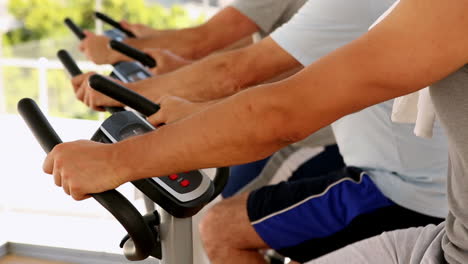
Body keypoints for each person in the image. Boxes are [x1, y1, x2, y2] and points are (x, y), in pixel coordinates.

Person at [56, 0, 449, 263]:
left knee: (221, 227)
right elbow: (294, 76)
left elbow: (259, 91)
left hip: (406, 190)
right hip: (410, 177)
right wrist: (199, 107)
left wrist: (115, 160)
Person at [79, 0, 307, 66]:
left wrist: (112, 50)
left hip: (310, 134)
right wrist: (155, 36)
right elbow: (248, 39)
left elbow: (203, 41)